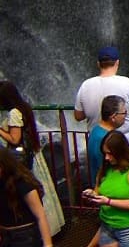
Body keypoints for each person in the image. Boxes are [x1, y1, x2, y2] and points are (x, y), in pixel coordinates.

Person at [0, 81, 65, 237]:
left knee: (29, 193)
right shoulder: (25, 107)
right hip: (32, 155)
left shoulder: (14, 113)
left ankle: (39, 231)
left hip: (21, 160)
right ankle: (50, 228)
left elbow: (15, 139)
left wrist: (1, 131)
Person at [84, 130, 129, 247]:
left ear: (121, 152)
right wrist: (92, 194)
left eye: (110, 153)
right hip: (107, 226)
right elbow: (98, 190)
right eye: (105, 153)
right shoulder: (106, 169)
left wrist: (109, 202)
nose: (106, 158)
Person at [74, 47, 129, 147]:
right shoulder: (126, 82)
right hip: (125, 141)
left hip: (97, 141)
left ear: (98, 64)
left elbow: (78, 116)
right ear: (117, 63)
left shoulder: (85, 85)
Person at [0, 148, 53, 247]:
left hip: (24, 235)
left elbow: (40, 215)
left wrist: (48, 244)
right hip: (6, 235)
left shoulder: (22, 182)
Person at [88, 96, 128, 184]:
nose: (125, 116)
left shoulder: (96, 130)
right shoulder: (108, 139)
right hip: (108, 186)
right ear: (113, 116)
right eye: (124, 113)